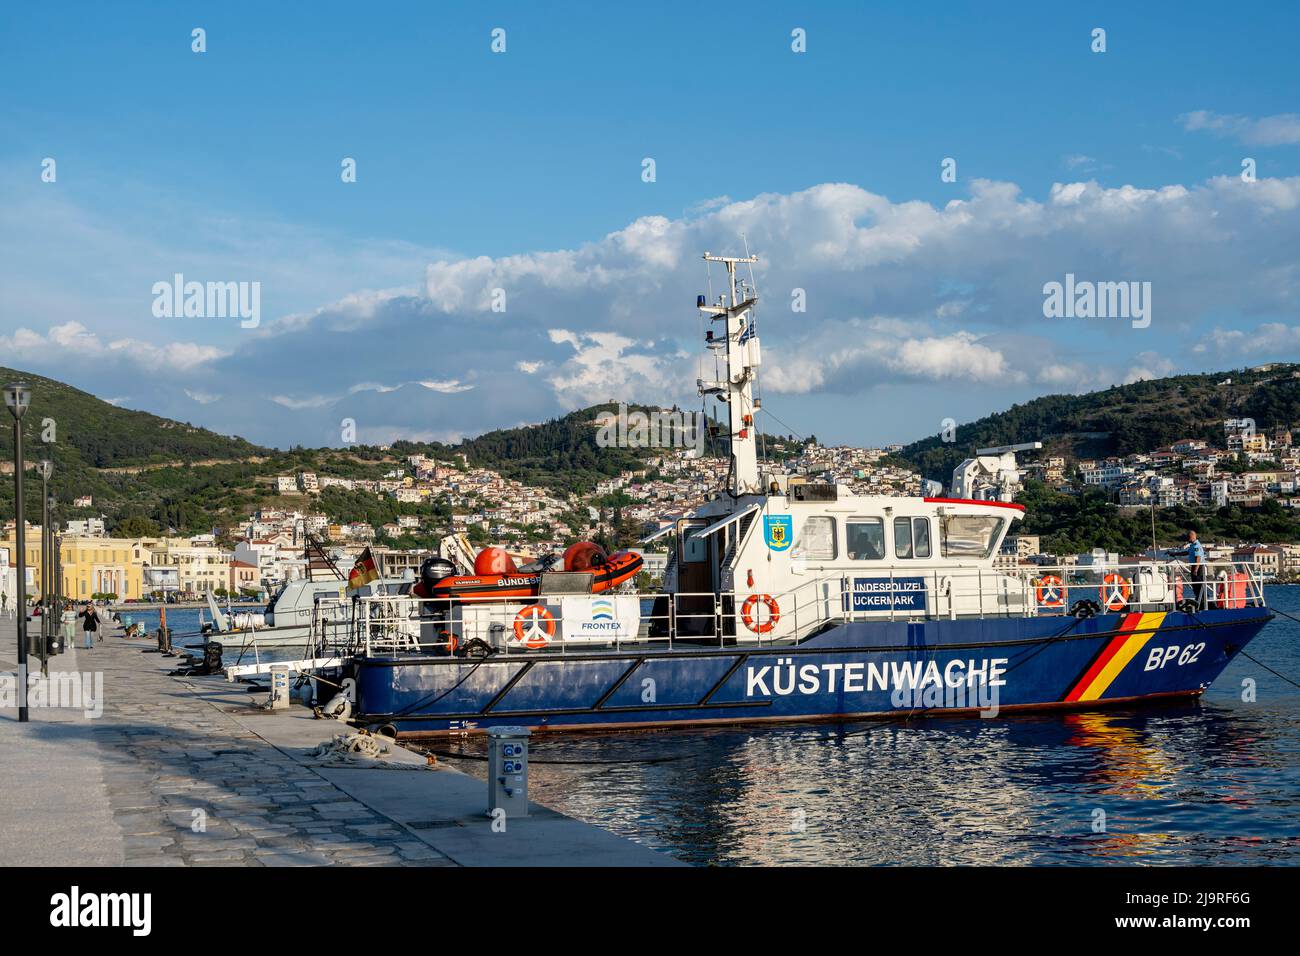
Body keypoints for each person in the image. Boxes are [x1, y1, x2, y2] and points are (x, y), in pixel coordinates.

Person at [1185, 531, 1206, 609]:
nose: (1187, 538)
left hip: (1198, 567)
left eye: (1188, 537)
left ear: (1192, 536)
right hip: (1195, 566)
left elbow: (1198, 558)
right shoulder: (1192, 545)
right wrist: (1175, 554)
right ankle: (1199, 602)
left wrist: (1195, 570)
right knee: (1196, 587)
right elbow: (1187, 552)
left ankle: (1202, 603)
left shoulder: (1196, 546)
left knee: (1199, 587)